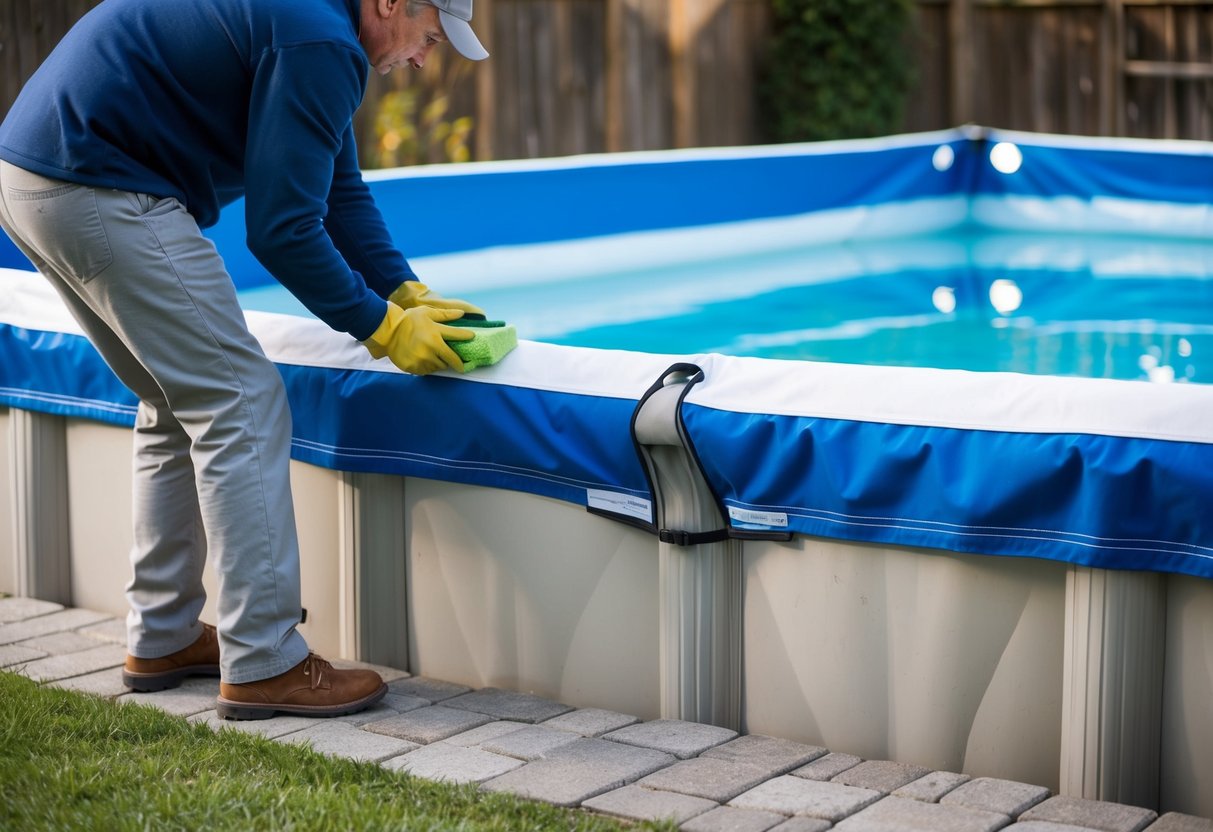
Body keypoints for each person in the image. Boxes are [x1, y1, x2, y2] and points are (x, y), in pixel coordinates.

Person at [0, 0, 488, 720]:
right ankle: (264, 660)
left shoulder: (313, 24)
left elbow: (336, 189)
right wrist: (380, 328)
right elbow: (284, 231)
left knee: (176, 399)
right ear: (390, 3)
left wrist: (403, 288)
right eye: (431, 34)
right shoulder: (320, 38)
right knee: (241, 401)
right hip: (103, 181)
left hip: (34, 177)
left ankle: (163, 636)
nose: (424, 58)